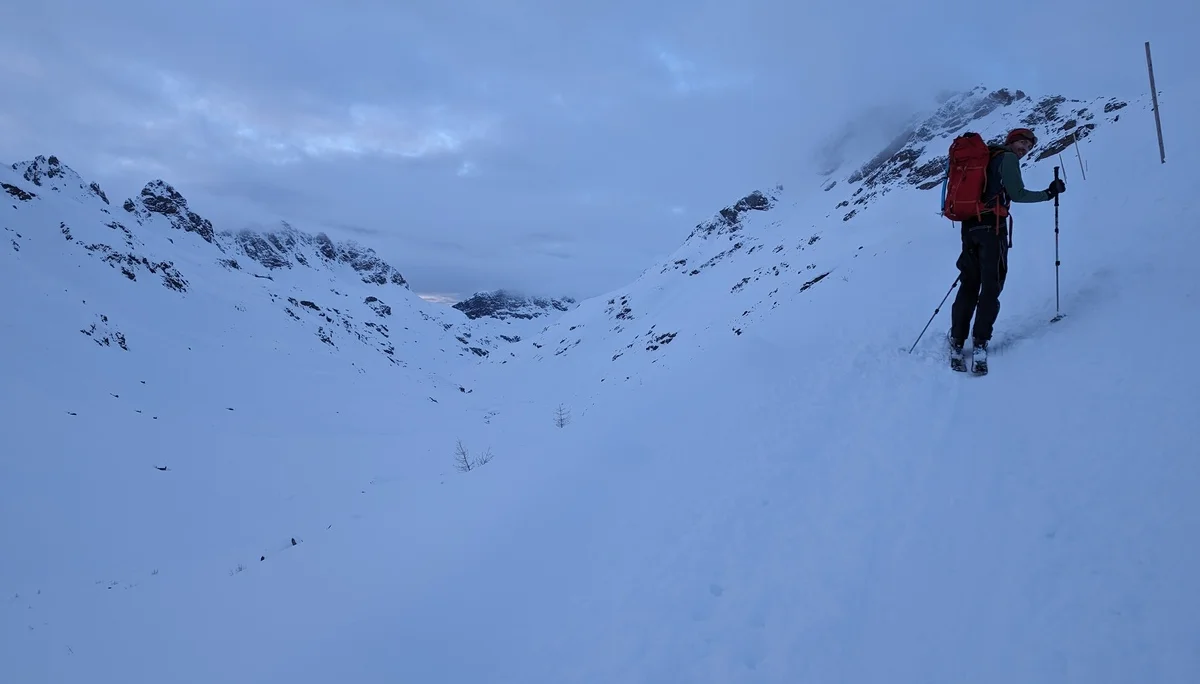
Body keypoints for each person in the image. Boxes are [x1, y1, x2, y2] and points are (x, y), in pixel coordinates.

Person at [948, 127, 1066, 370]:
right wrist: (1048, 193)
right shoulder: (1008, 158)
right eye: (1022, 143)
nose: (1025, 149)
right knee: (991, 286)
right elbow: (1018, 194)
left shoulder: (987, 156)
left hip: (969, 227)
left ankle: (957, 340)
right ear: (1011, 142)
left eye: (1029, 147)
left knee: (969, 284)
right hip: (993, 228)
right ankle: (980, 342)